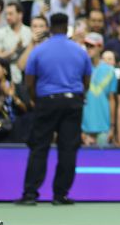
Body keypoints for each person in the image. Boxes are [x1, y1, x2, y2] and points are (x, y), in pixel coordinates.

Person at [16, 13, 91, 205]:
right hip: (72, 101)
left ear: (50, 27)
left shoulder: (39, 51)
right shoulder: (80, 51)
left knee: (39, 147)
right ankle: (61, 195)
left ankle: (30, 194)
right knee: (68, 149)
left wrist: (36, 99)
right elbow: (86, 80)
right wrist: (78, 96)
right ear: (67, 28)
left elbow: (29, 81)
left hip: (46, 101)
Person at [81, 33, 117, 148]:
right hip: (84, 128)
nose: (88, 49)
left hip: (104, 127)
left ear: (100, 47)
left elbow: (112, 100)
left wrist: (112, 127)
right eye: (86, 45)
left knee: (104, 163)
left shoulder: (110, 71)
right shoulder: (80, 69)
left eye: (92, 46)